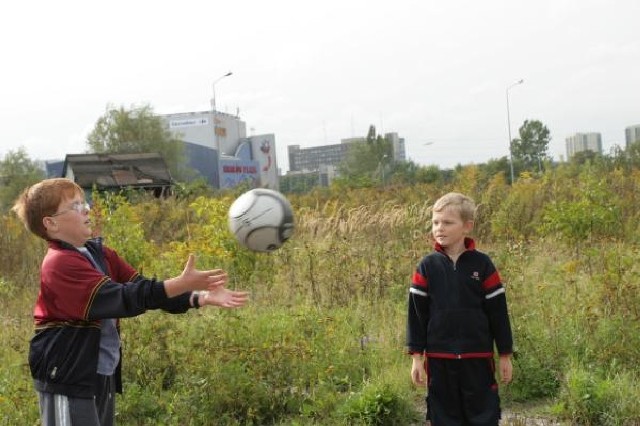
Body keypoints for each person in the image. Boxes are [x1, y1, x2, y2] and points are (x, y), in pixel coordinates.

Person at [12, 178, 250, 426]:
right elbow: (124, 299)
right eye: (74, 206)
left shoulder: (100, 253)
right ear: (51, 223)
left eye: (84, 202)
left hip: (98, 371)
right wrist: (183, 283)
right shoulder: (59, 264)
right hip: (67, 376)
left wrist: (201, 297)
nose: (87, 209)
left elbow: (144, 289)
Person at [407, 192, 513, 425]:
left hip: (478, 357)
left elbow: (498, 313)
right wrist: (416, 357)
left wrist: (504, 354)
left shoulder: (483, 265)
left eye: (447, 222)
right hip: (439, 358)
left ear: (467, 226)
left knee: (483, 415)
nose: (439, 228)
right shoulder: (427, 266)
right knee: (443, 416)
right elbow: (416, 316)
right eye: (435, 222)